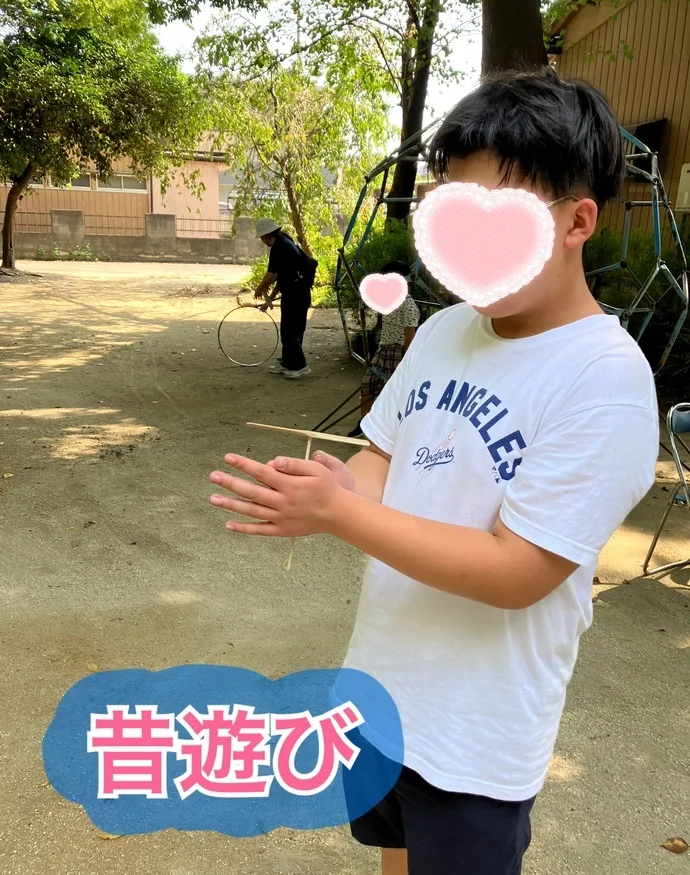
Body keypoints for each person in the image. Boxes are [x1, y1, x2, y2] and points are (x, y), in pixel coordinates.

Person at [210, 69, 659, 875]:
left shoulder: (605, 378)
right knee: (394, 856)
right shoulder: (448, 330)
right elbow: (386, 456)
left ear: (576, 221)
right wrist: (331, 490)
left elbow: (518, 571)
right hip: (386, 693)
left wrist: (345, 515)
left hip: (477, 734)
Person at [348, 261, 421, 439]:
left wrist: (407, 363)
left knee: (394, 394)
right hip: (383, 349)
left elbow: (410, 337)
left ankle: (392, 431)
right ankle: (363, 424)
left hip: (398, 352)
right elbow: (381, 322)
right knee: (368, 385)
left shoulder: (408, 305)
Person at [253, 218, 314, 379]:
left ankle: (300, 366)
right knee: (291, 330)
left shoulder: (279, 247)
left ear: (266, 235)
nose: (261, 240)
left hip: (297, 295)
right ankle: (288, 362)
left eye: (261, 237)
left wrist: (259, 288)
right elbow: (282, 277)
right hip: (295, 293)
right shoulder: (284, 240)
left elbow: (270, 275)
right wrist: (269, 299)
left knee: (290, 331)